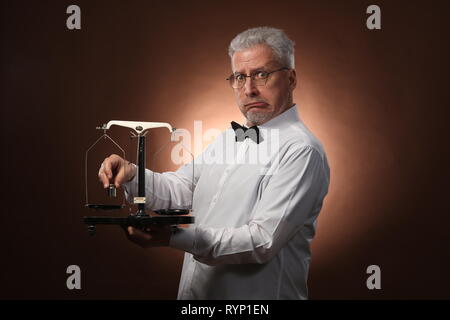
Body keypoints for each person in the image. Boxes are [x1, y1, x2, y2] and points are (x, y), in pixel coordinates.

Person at [98, 26, 330, 299]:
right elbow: (181, 189)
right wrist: (132, 175)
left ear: (290, 79)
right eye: (239, 77)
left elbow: (261, 241)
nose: (249, 89)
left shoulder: (302, 151)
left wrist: (172, 237)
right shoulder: (227, 139)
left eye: (262, 74)